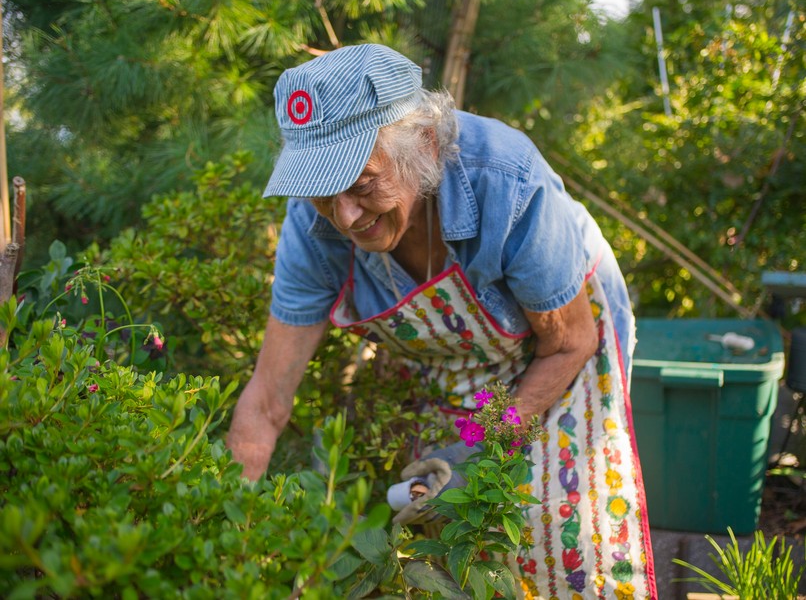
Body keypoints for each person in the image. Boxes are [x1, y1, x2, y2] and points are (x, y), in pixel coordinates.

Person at [226, 43, 657, 599]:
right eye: (322, 194)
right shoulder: (314, 229)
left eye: (362, 184)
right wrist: (227, 539)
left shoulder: (506, 178)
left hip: (562, 337)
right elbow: (266, 401)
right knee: (442, 532)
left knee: (550, 517)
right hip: (457, 354)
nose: (347, 217)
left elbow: (568, 344)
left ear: (423, 145)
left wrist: (479, 444)